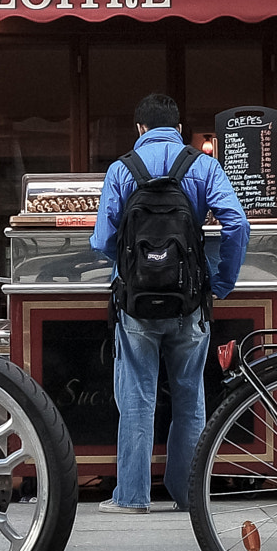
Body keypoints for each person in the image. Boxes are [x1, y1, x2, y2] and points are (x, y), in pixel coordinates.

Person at [89, 94, 248, 514]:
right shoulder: (203, 165)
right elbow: (237, 223)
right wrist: (221, 281)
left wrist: (135, 267)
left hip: (136, 305)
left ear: (139, 128)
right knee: (190, 400)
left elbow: (103, 240)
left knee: (137, 398)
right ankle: (188, 496)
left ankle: (132, 497)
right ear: (179, 128)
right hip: (190, 301)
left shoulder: (121, 169)